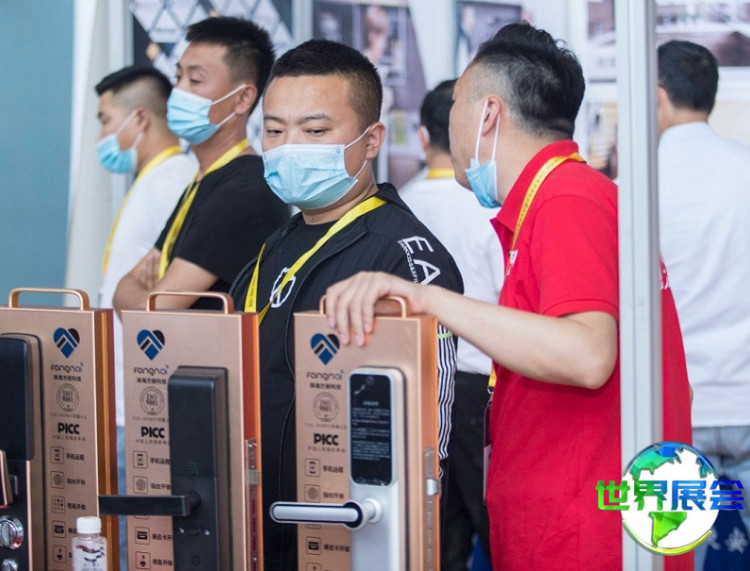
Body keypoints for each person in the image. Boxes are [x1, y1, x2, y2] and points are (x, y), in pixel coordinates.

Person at [323, 23, 693, 570]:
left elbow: (587, 354)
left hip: (584, 531)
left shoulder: (568, 200)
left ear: (488, 113)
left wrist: (427, 299)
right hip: (581, 514)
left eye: (457, 103)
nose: (451, 121)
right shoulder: (564, 198)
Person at [229, 39, 463, 570]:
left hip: (352, 537)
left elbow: (431, 441)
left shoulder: (403, 258)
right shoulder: (278, 243)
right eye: (274, 130)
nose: (289, 147)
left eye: (314, 131)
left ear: (372, 139)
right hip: (263, 534)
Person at [94, 64, 197, 571]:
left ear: (139, 119)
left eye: (105, 119)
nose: (102, 135)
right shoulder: (151, 180)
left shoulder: (174, 182)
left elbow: (160, 294)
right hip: (121, 397)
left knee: (140, 546)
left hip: (142, 402)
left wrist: (127, 292)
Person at [113, 17, 288, 312]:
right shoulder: (203, 180)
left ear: (243, 98)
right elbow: (125, 290)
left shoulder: (243, 190)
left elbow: (150, 312)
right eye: (178, 77)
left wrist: (143, 294)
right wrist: (136, 295)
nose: (179, 91)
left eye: (195, 81)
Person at [399, 78, 502, 570]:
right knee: (494, 521)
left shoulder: (399, 205)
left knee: (438, 530)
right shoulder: (489, 204)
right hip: (481, 383)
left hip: (419, 385)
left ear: (423, 136)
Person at [657, 39, 750, 567]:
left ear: (657, 95)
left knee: (670, 555)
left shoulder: (630, 189)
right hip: (746, 396)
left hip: (673, 408)